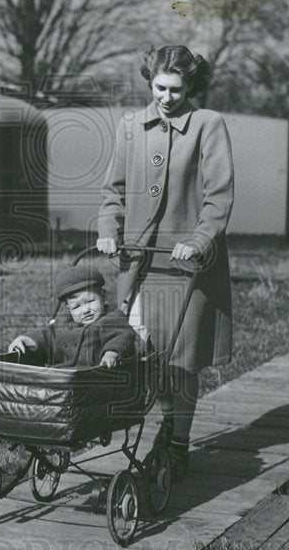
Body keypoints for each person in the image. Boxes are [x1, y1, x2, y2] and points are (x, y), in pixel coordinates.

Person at [96, 45, 234, 480]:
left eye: (176, 89)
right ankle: (151, 430)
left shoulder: (207, 126)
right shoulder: (130, 127)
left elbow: (218, 196)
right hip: (140, 262)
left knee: (179, 360)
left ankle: (177, 442)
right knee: (140, 354)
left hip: (185, 266)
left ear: (190, 86)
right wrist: (107, 228)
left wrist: (198, 240)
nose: (167, 97)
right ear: (149, 82)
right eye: (159, 87)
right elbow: (113, 191)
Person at [7, 265, 140, 368]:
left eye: (90, 301)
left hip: (92, 380)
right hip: (62, 380)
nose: (85, 310)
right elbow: (47, 335)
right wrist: (27, 339)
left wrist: (111, 354)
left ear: (103, 296)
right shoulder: (64, 323)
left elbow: (122, 337)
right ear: (68, 308)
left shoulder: (111, 319)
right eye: (76, 307)